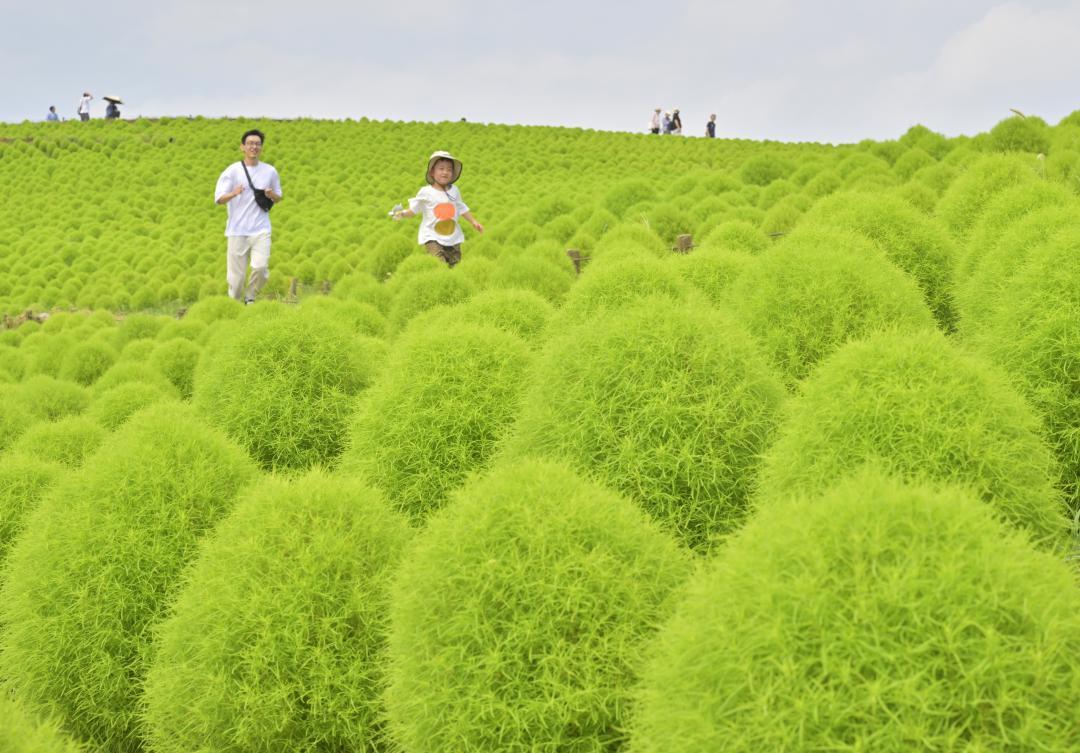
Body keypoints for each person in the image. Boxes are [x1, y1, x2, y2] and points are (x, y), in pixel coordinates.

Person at [214, 129, 283, 304]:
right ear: (242, 147)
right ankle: (234, 304)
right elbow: (219, 199)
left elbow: (279, 197)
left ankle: (250, 298)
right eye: (250, 143)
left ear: (261, 147)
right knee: (236, 280)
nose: (254, 147)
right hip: (237, 230)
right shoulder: (232, 171)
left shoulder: (270, 171)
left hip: (261, 229)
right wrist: (234, 193)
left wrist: (271, 195)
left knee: (260, 267)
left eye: (257, 144)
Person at [391, 150, 483, 268]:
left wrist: (473, 221)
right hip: (432, 236)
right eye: (441, 168)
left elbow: (461, 207)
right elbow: (413, 210)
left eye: (449, 169)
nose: (445, 172)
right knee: (439, 264)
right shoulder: (426, 192)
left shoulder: (454, 190)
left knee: (455, 265)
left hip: (453, 236)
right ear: (432, 172)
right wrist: (402, 213)